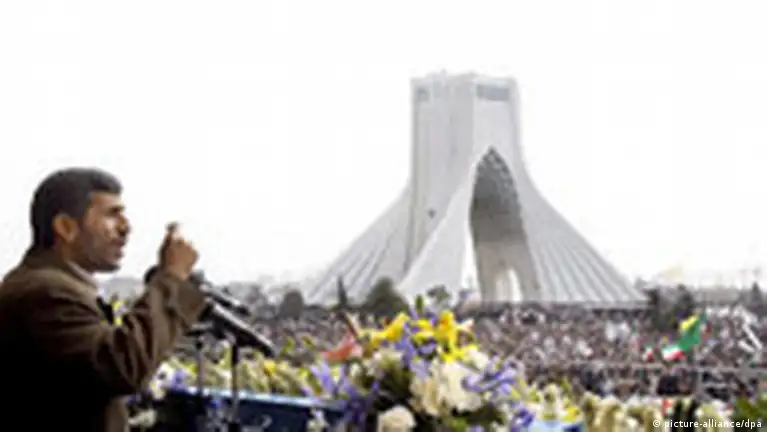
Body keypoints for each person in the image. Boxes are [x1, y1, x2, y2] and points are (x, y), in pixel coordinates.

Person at [0, 168, 210, 431]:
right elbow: (123, 366)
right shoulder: (44, 293)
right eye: (112, 214)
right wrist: (171, 279)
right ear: (66, 227)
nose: (126, 227)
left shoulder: (54, 284)